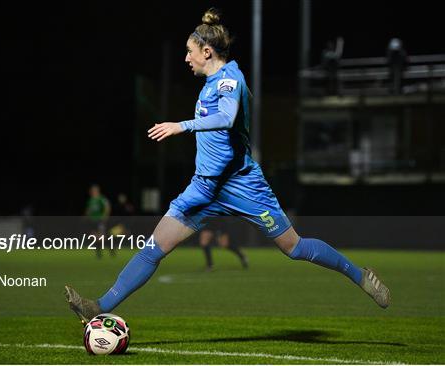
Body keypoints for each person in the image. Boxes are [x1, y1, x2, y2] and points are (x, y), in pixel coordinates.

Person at [65, 8, 390, 323]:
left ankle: (359, 276)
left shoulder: (229, 79)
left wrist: (183, 125)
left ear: (207, 51)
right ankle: (99, 306)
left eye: (190, 52)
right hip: (204, 188)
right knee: (153, 248)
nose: (186, 58)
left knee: (294, 248)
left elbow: (226, 118)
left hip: (242, 185)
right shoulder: (209, 84)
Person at [84, 184, 112, 258]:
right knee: (94, 236)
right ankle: (99, 252)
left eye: (94, 190)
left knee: (101, 237)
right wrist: (86, 216)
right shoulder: (91, 200)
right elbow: (89, 210)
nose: (92, 191)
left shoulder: (101, 198)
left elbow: (107, 207)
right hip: (92, 221)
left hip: (100, 220)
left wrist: (105, 216)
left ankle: (110, 249)